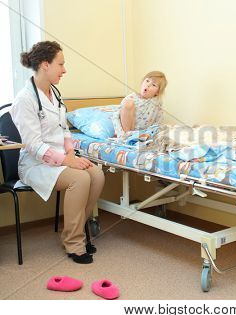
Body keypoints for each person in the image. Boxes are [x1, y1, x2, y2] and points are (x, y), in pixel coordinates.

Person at [10, 41, 105, 264]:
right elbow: (33, 144)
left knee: (97, 174)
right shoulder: (25, 100)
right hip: (35, 164)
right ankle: (74, 243)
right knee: (80, 179)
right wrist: (66, 160)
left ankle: (77, 229)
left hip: (61, 159)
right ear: (45, 65)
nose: (64, 70)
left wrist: (71, 154)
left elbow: (64, 131)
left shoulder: (54, 94)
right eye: (60, 64)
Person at [112, 71, 167, 139]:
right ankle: (128, 136)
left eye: (154, 85)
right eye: (147, 81)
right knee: (128, 103)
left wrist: (151, 133)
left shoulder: (157, 102)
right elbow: (118, 115)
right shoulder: (131, 98)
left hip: (144, 133)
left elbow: (158, 122)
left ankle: (138, 137)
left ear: (157, 92)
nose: (148, 85)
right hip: (128, 130)